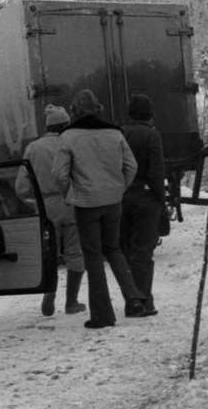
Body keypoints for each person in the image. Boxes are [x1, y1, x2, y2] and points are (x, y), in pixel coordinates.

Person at [53, 89, 146, 328]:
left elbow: (59, 174)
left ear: (74, 111)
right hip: (113, 201)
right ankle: (135, 298)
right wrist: (119, 189)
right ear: (99, 108)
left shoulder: (68, 136)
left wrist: (71, 194)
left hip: (86, 204)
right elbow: (131, 166)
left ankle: (102, 315)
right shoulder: (115, 133)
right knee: (114, 250)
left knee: (93, 258)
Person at [17, 104, 87, 316]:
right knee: (75, 254)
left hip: (47, 208)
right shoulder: (73, 144)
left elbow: (20, 187)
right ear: (65, 125)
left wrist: (35, 203)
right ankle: (71, 302)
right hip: (72, 204)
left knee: (51, 255)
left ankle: (49, 296)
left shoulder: (33, 149)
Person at [119, 95, 166, 317]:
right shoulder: (152, 135)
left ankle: (131, 299)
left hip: (120, 199)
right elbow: (156, 172)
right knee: (142, 254)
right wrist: (160, 198)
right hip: (145, 200)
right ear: (150, 114)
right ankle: (142, 302)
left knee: (127, 252)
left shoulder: (119, 134)